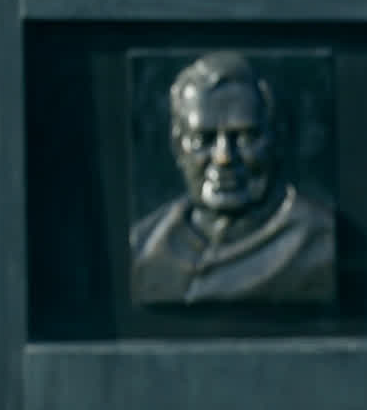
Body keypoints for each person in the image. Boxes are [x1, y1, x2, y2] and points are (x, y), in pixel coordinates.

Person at [130, 51, 336, 305]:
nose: (224, 157)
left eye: (245, 137)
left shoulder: (317, 240)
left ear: (275, 140)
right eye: (202, 140)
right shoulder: (148, 242)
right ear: (177, 146)